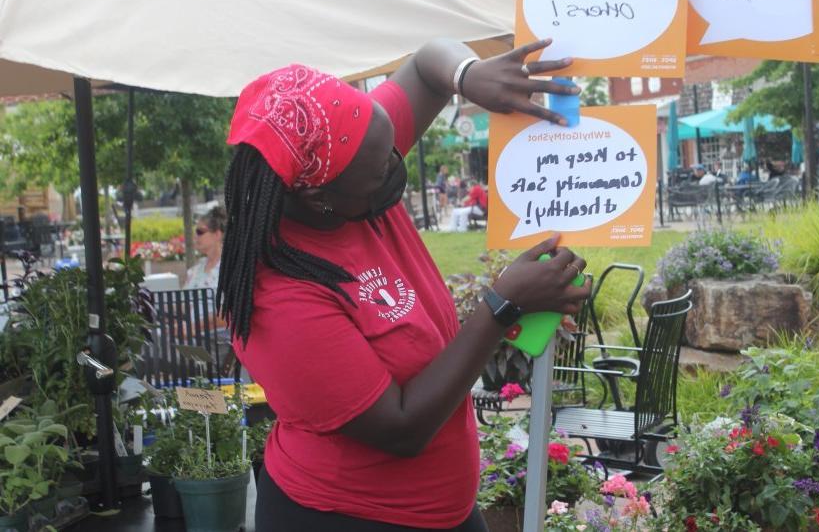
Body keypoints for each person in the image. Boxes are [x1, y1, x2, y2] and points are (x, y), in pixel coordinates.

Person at [216, 38, 590, 532]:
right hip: (346, 516)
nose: (397, 175)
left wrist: (466, 76)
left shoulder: (350, 144)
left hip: (442, 510)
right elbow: (400, 427)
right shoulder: (277, 296)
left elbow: (427, 61)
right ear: (316, 193)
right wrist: (502, 305)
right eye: (380, 174)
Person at [184, 206, 231, 368]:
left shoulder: (229, 268)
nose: (195, 236)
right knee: (152, 342)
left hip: (218, 339)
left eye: (200, 232)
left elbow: (228, 316)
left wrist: (192, 327)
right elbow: (183, 306)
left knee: (164, 354)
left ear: (217, 234)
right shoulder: (196, 270)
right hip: (193, 338)